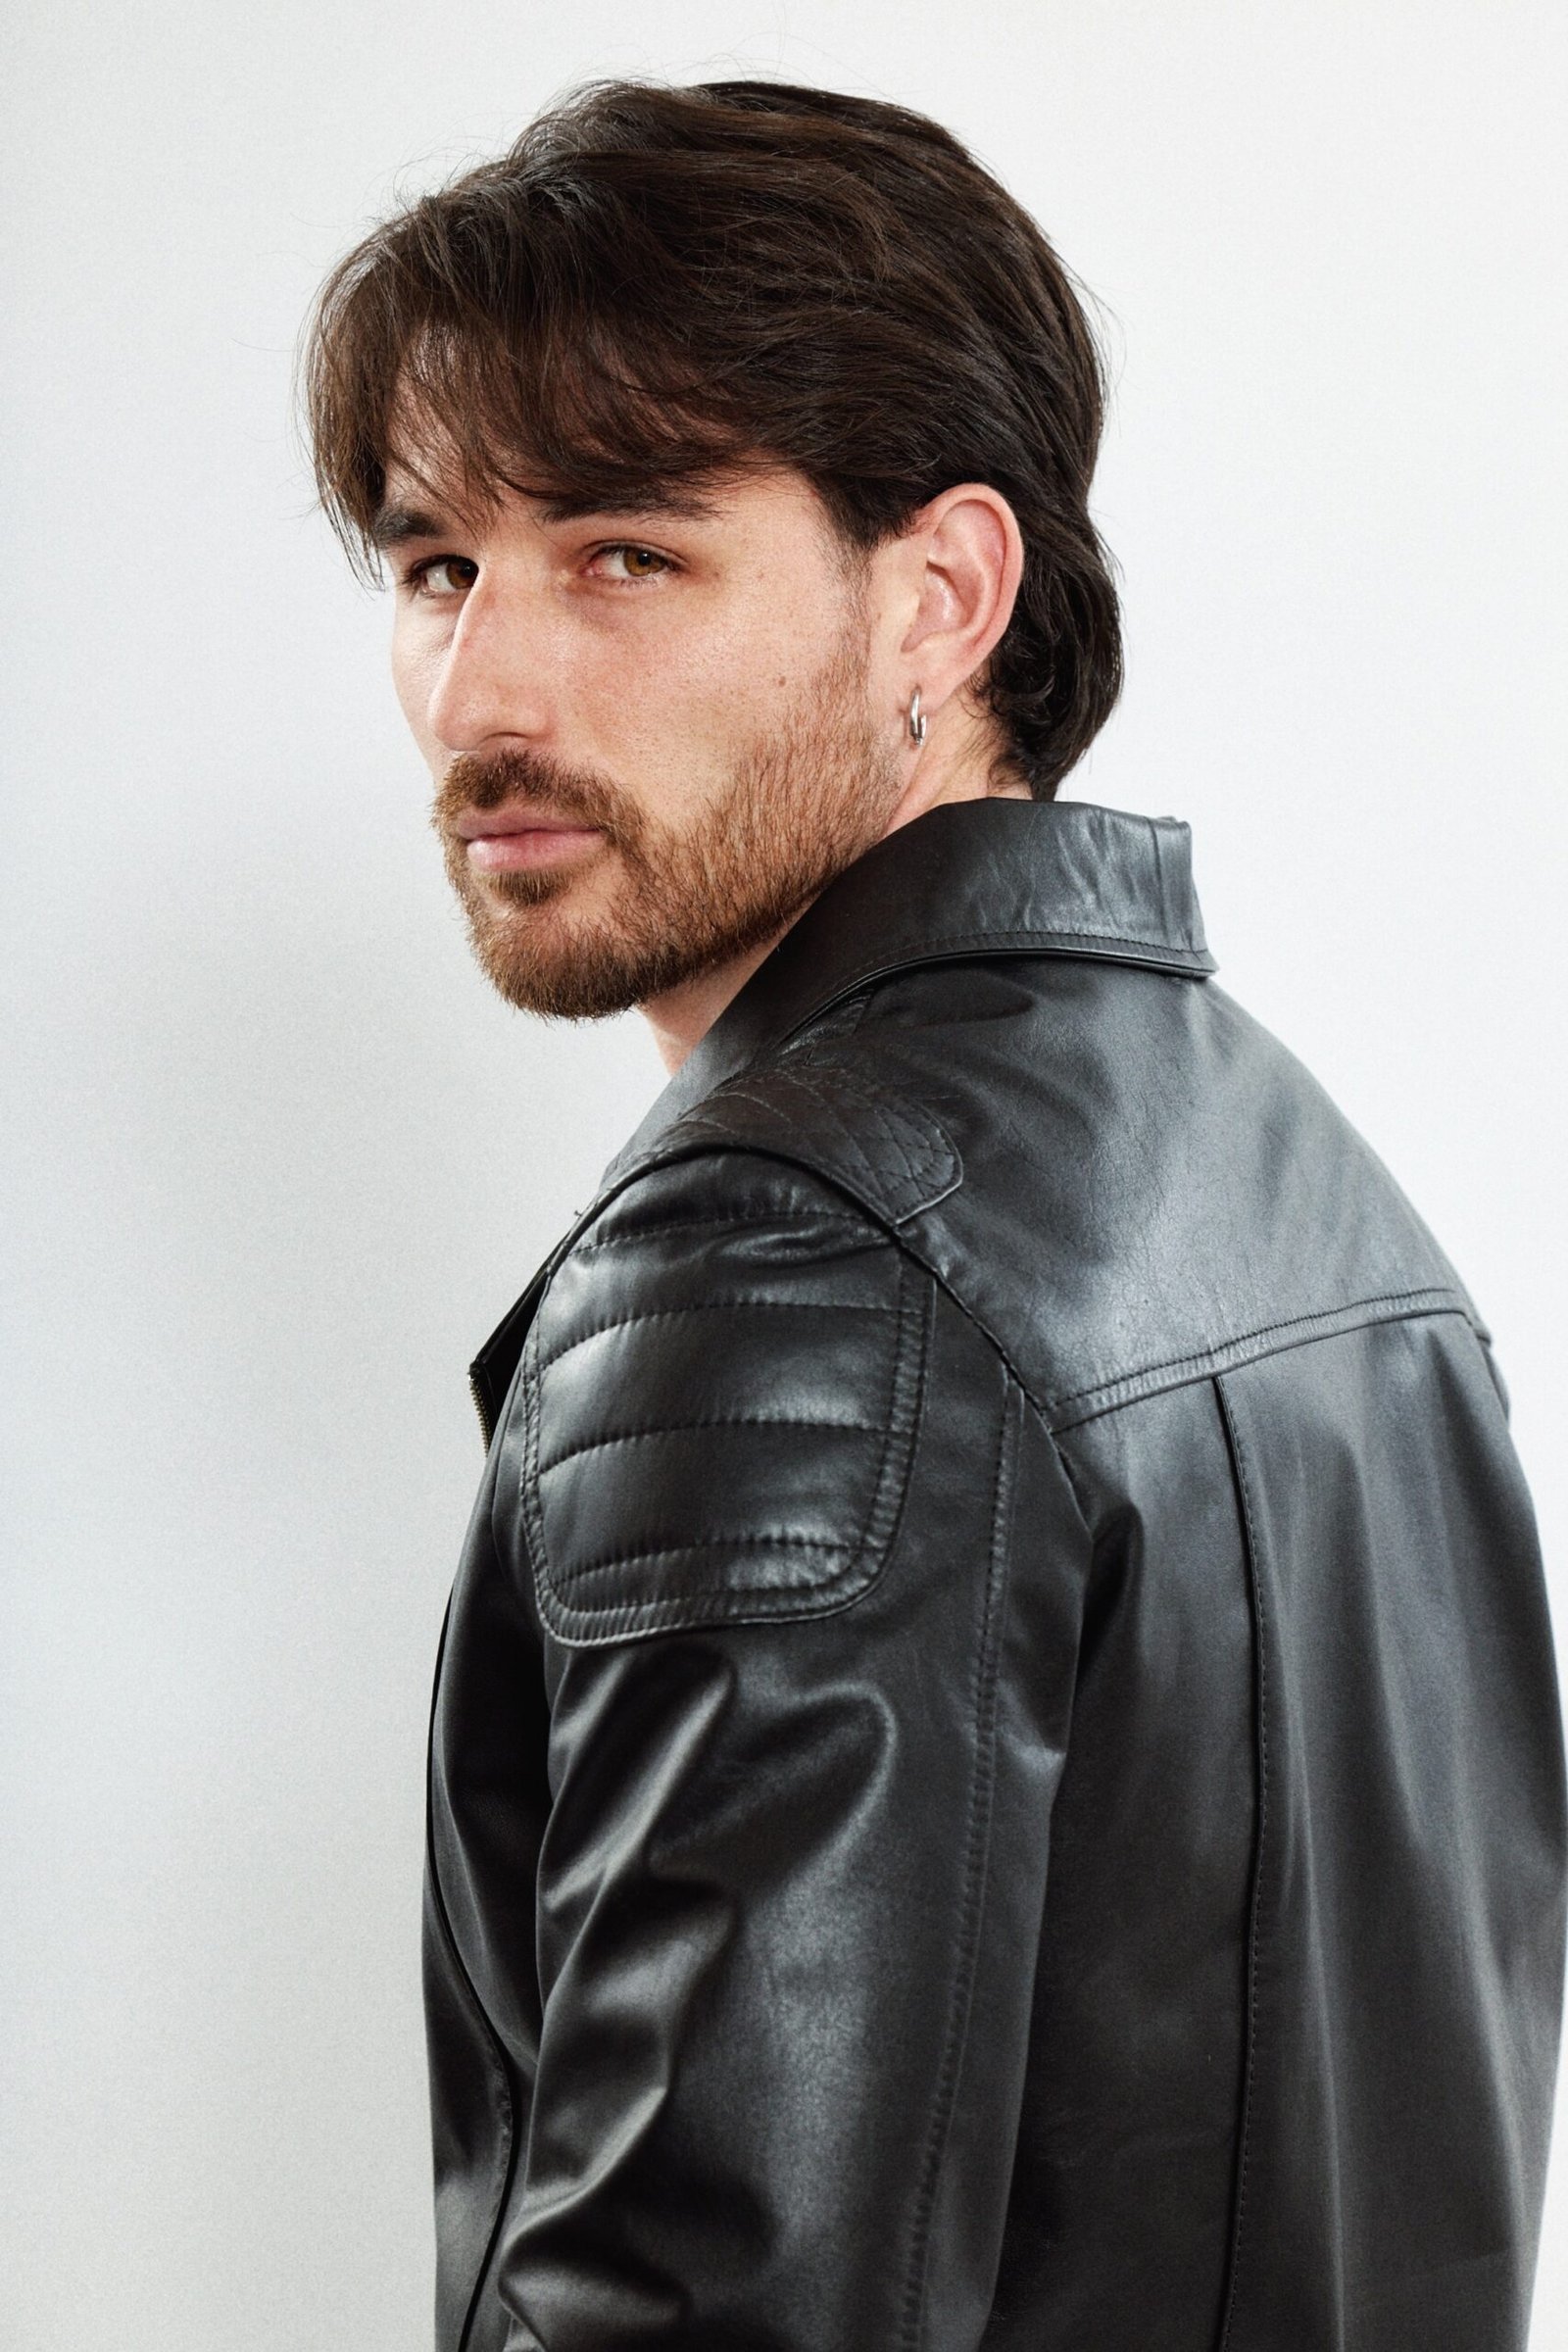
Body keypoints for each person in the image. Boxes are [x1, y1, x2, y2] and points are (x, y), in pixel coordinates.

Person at [301, 76, 1566, 2352]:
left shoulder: (784, 1259)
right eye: (435, 567)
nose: (480, 691)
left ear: (941, 598)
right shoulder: (1303, 1186)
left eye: (623, 553)